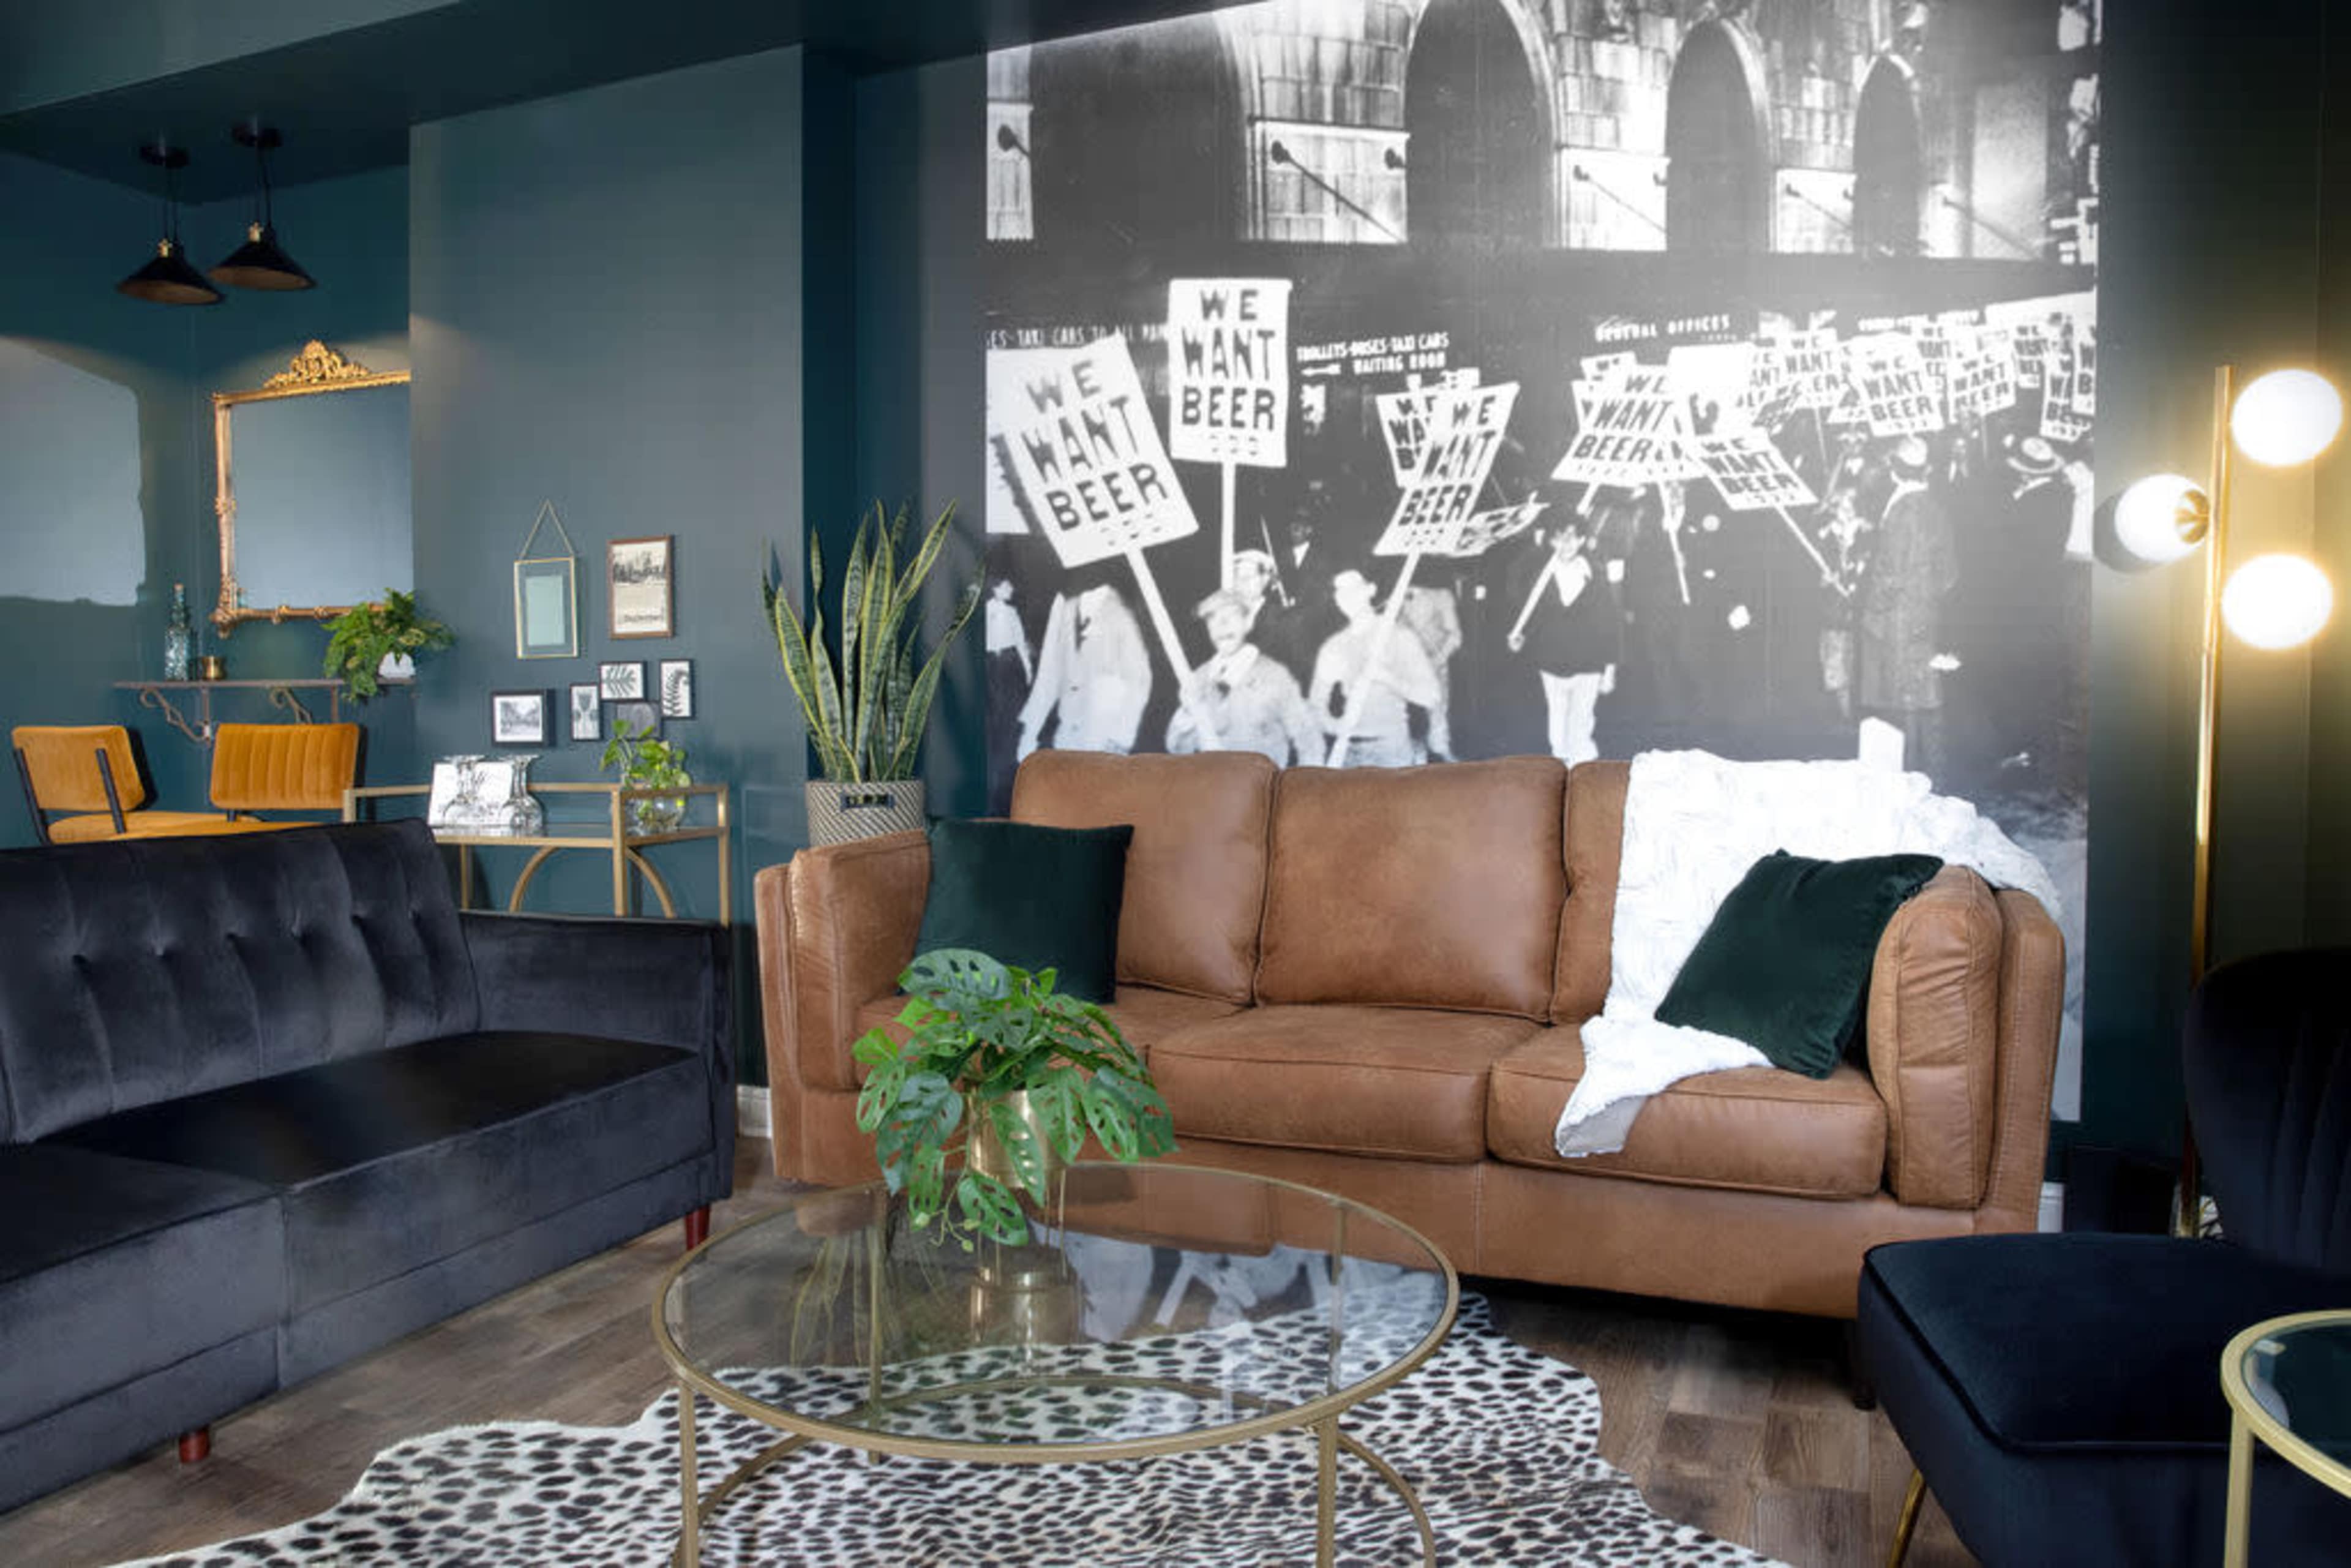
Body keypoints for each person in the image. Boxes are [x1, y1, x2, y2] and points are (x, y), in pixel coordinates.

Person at [1857, 435, 1958, 778]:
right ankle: (1937, 778)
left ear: (1895, 470)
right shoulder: (1936, 507)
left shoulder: (1902, 510)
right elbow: (1950, 574)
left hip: (1897, 618)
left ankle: (1912, 779)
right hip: (1926, 614)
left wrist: (1871, 612)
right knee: (1927, 695)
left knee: (1903, 701)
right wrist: (1927, 599)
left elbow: (1890, 574)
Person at [1165, 588, 1321, 765]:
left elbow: (1309, 740)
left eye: (1231, 617)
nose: (1222, 626)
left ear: (1247, 623)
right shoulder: (1199, 678)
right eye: (1213, 619)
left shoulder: (1274, 675)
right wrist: (1188, 713)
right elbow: (1178, 748)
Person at [1508, 522, 1619, 767]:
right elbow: (1530, 615)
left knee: (1581, 723)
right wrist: (1520, 637)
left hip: (1589, 662)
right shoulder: (1539, 577)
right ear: (1551, 542)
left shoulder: (1595, 574)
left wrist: (1610, 670)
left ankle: (1584, 774)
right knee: (1557, 725)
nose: (1566, 543)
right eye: (1560, 537)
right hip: (1552, 661)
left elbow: (1611, 623)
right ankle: (1561, 770)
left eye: (1572, 537)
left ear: (1581, 541)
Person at [1308, 568, 1441, 768]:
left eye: (1354, 587)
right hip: (1347, 753)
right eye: (1340, 591)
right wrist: (1336, 727)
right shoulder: (1334, 647)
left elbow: (1431, 696)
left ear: (1370, 590)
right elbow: (1315, 706)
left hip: (1391, 752)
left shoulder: (1399, 637)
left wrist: (1388, 679)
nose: (1346, 596)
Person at [1016, 572, 1152, 760]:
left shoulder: (1122, 617)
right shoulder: (1064, 607)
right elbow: (1049, 673)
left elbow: (1140, 681)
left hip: (1103, 739)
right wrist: (1030, 732)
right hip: (1068, 734)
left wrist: (1120, 739)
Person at [1398, 580, 1464, 759]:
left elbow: (1455, 637)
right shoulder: (1397, 595)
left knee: (1437, 710)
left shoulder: (1441, 595)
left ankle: (1440, 748)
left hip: (1435, 663)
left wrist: (1436, 662)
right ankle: (1413, 753)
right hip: (1407, 665)